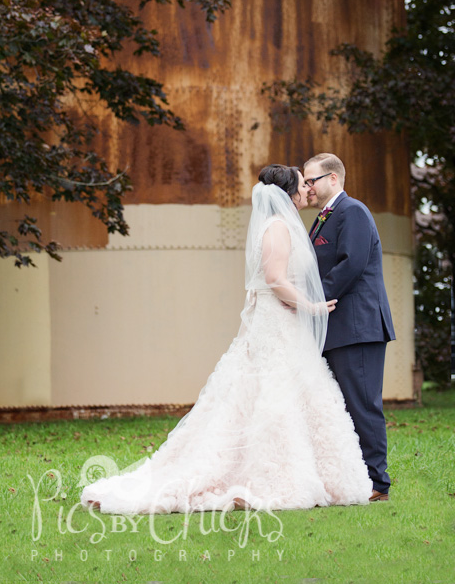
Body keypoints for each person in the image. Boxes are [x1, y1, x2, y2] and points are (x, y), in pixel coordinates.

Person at [80, 164, 372, 514]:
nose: (307, 189)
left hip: (280, 322)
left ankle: (310, 473)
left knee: (275, 393)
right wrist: (310, 305)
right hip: (277, 322)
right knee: (275, 392)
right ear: (288, 194)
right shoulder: (278, 227)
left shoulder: (282, 225)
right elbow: (276, 279)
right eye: (302, 184)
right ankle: (275, 476)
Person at [303, 153, 396, 502]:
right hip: (336, 327)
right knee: (341, 406)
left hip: (358, 326)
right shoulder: (322, 220)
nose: (308, 188)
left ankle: (377, 483)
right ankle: (354, 477)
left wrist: (312, 302)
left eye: (311, 180)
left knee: (362, 404)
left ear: (333, 179)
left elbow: (351, 264)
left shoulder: (352, 211)